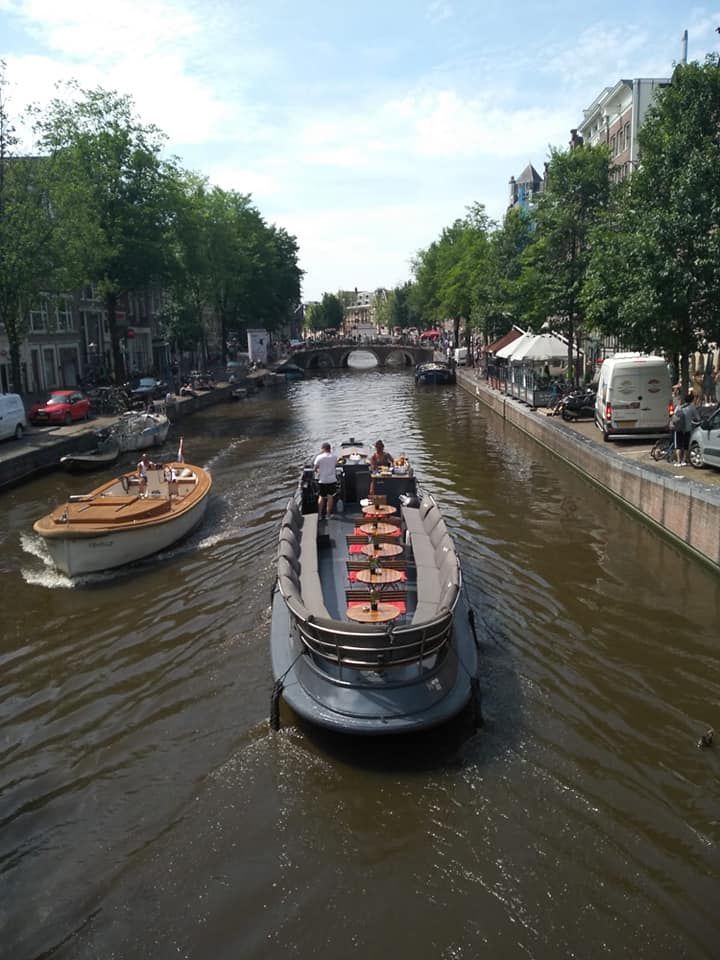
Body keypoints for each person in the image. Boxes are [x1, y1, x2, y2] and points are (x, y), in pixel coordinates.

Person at [671, 393, 700, 466]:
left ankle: (678, 461)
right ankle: (684, 460)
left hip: (678, 429)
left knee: (678, 446)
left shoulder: (679, 407)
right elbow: (698, 418)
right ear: (692, 400)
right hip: (687, 429)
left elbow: (674, 418)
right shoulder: (692, 408)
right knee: (686, 445)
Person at [313, 441, 338, 519]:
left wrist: (319, 471)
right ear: (330, 449)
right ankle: (328, 515)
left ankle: (320, 515)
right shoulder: (334, 457)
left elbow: (315, 468)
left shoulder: (319, 457)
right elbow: (335, 465)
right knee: (330, 497)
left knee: (321, 497)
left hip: (322, 480)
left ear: (323, 449)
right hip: (332, 480)